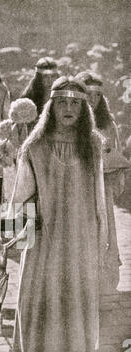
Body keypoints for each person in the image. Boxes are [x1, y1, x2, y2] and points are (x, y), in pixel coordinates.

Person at [10, 77, 108, 352]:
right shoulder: (34, 147)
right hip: (44, 239)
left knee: (75, 305)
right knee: (40, 299)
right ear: (52, 106)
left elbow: (99, 198)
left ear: (84, 110)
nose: (68, 109)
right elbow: (20, 196)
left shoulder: (92, 145)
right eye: (62, 102)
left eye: (76, 103)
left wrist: (101, 239)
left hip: (80, 240)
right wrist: (28, 220)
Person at [76, 71, 131, 294]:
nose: (92, 100)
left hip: (103, 186)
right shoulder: (73, 123)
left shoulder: (108, 124)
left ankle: (105, 276)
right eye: (88, 95)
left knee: (104, 228)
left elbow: (115, 152)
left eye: (97, 96)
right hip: (79, 186)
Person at [20, 57, 59, 130]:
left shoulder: (63, 95)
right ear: (39, 78)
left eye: (53, 76)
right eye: (45, 76)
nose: (50, 80)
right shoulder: (28, 98)